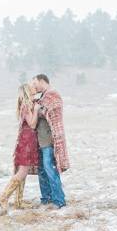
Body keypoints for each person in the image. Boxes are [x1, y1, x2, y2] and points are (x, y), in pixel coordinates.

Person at [0, 83, 41, 215]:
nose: (34, 87)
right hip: (27, 140)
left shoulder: (29, 103)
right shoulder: (26, 105)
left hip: (28, 139)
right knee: (22, 171)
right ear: (28, 90)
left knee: (23, 172)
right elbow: (32, 124)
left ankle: (18, 202)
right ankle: (3, 197)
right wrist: (37, 110)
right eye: (32, 86)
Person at [31, 74, 70, 209]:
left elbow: (51, 112)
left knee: (50, 169)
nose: (34, 86)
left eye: (35, 83)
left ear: (42, 81)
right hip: (41, 140)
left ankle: (59, 200)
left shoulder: (52, 95)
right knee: (42, 170)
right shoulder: (41, 97)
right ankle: (46, 199)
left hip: (49, 140)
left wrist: (37, 109)